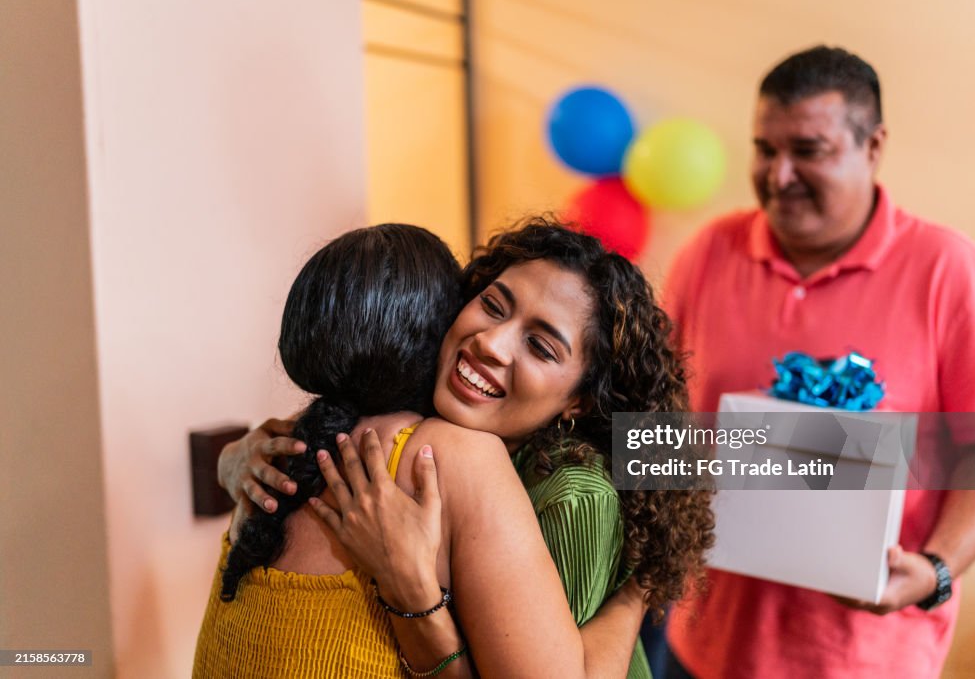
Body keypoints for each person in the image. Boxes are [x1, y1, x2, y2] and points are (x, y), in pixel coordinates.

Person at [209, 218, 715, 677]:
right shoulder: (397, 430)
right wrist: (233, 459)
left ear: (579, 402)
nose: (491, 343)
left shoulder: (575, 492)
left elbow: (709, 456)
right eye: (492, 306)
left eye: (540, 347)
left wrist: (638, 586)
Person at [661, 45, 975, 678]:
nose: (778, 175)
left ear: (874, 145)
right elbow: (662, 422)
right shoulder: (707, 253)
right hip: (703, 645)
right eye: (765, 149)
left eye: (808, 150)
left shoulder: (951, 272)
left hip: (867, 658)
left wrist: (935, 571)